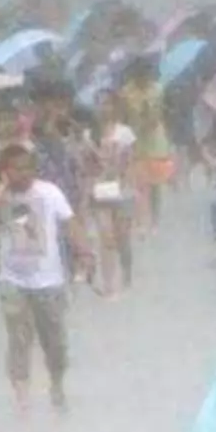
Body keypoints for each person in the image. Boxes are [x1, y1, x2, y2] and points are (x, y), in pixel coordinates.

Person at [0, 143, 97, 414]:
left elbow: (70, 224)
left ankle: (56, 385)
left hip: (49, 281)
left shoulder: (49, 193)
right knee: (18, 340)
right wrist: (2, 188)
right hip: (13, 281)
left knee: (55, 343)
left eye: (27, 168)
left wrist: (84, 253)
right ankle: (22, 399)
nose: (22, 173)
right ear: (5, 171)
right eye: (15, 169)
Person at [118, 59, 173, 231]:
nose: (144, 78)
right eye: (140, 75)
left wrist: (151, 116)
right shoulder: (126, 92)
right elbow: (124, 117)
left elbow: (160, 113)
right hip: (135, 140)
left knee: (156, 183)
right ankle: (140, 220)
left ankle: (155, 219)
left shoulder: (158, 89)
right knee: (138, 182)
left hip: (155, 140)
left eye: (146, 75)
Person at [92, 97, 137, 293]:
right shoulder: (89, 134)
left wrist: (131, 187)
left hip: (122, 189)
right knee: (106, 237)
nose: (104, 107)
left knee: (122, 237)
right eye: (100, 103)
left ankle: (127, 271)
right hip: (99, 189)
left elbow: (131, 161)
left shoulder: (125, 132)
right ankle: (108, 283)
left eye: (107, 103)